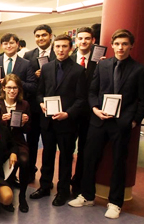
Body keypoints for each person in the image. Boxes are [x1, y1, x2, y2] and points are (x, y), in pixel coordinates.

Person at [69, 29, 144, 219]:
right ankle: (87, 195)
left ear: (131, 46)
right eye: (117, 44)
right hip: (99, 119)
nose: (120, 47)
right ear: (112, 45)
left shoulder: (138, 69)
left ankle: (115, 202)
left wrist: (134, 120)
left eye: (125, 44)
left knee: (119, 162)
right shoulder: (102, 66)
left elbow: (142, 100)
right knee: (89, 158)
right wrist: (95, 109)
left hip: (122, 123)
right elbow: (92, 91)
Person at [30, 34, 86, 207]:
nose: (60, 50)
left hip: (67, 122)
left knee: (66, 157)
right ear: (54, 48)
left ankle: (63, 191)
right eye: (58, 47)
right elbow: (40, 92)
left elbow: (81, 99)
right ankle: (45, 186)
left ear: (71, 48)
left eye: (64, 46)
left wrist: (67, 114)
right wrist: (41, 104)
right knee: (47, 155)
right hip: (47, 121)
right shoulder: (46, 68)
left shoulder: (78, 70)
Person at [0, 74, 31, 213]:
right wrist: (1, 120)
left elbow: (28, 130)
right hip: (2, 142)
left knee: (25, 161)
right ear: (3, 88)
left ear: (19, 89)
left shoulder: (24, 104)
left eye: (15, 87)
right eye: (9, 87)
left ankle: (22, 197)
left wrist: (25, 122)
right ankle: (6, 194)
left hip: (18, 141)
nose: (12, 91)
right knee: (6, 164)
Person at [22, 24, 55, 183]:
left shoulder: (58, 53)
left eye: (44, 35)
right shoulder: (29, 55)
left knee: (49, 145)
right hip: (34, 106)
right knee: (32, 142)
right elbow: (27, 80)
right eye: (38, 36)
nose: (41, 38)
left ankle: (46, 179)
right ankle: (29, 172)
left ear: (50, 36)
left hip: (52, 107)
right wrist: (35, 76)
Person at [69, 27, 97, 197]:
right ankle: (65, 182)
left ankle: (78, 181)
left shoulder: (99, 62)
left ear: (93, 40)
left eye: (87, 38)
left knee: (84, 151)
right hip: (71, 112)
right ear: (76, 40)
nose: (83, 41)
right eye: (80, 38)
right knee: (67, 149)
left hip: (89, 114)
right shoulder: (69, 60)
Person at [0, 33, 36, 101]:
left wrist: (14, 82)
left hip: (19, 102)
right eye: (5, 44)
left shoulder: (26, 64)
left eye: (11, 43)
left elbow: (32, 86)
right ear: (1, 46)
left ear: (17, 44)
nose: (8, 46)